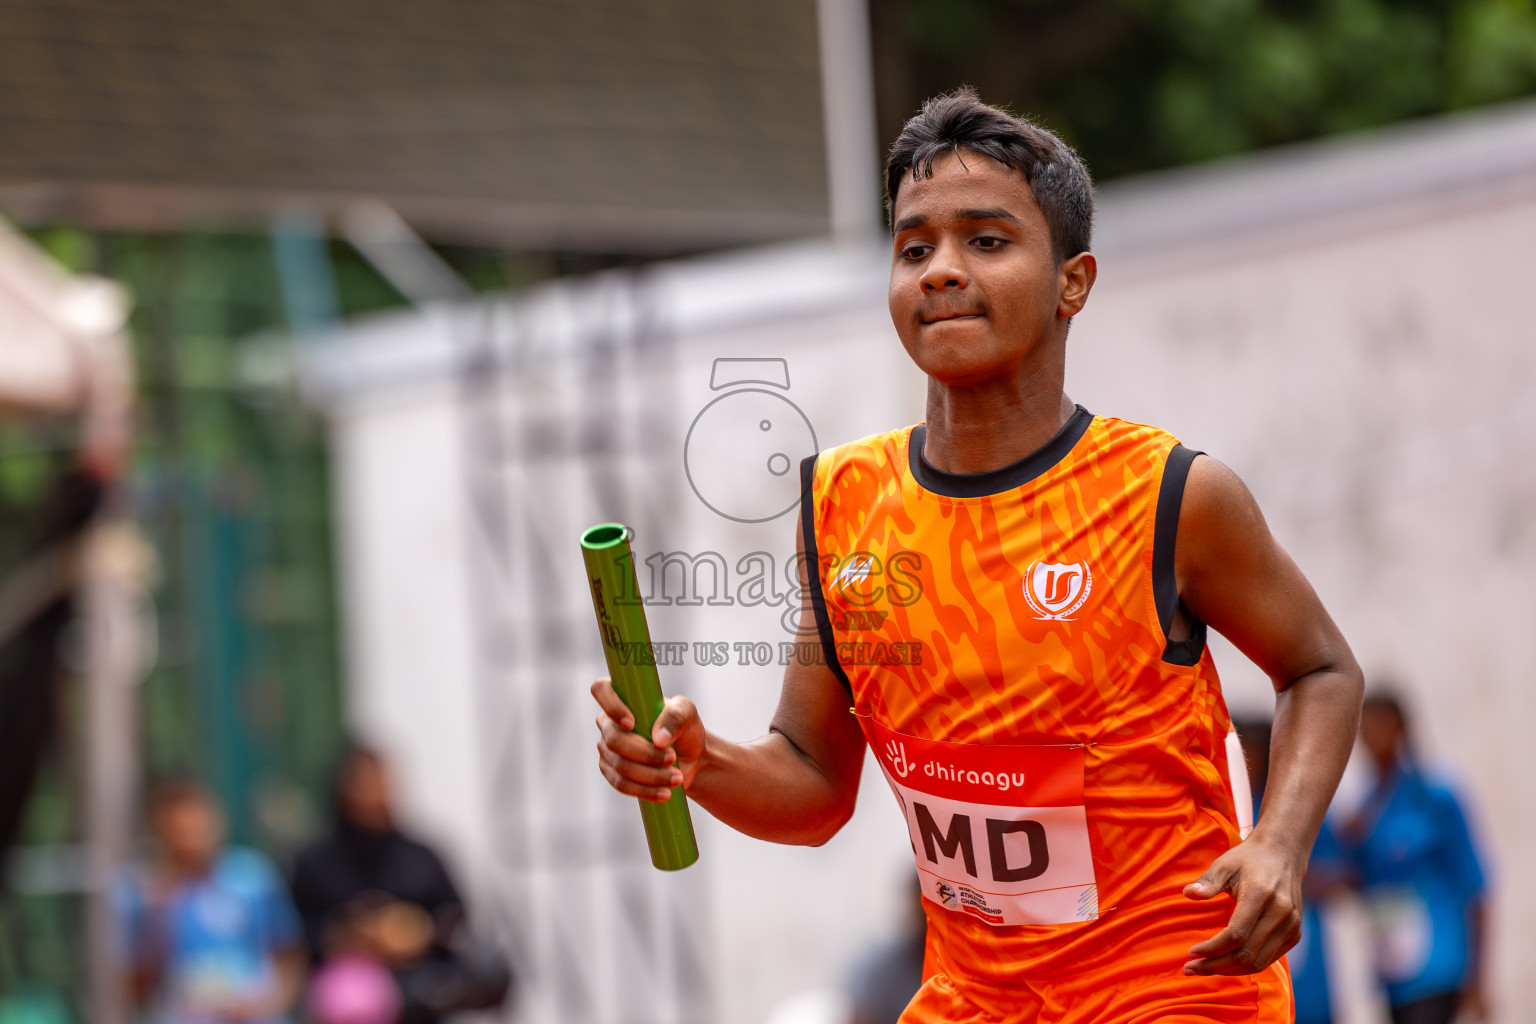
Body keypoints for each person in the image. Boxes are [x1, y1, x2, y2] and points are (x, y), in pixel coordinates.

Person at [592, 88, 1364, 1023]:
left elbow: (1321, 667)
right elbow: (815, 780)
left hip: (1175, 991)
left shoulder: (1170, 495)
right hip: (975, 1001)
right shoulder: (842, 503)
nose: (941, 271)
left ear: (1072, 281)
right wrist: (699, 759)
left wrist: (1280, 843)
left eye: (986, 242)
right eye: (914, 248)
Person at [289, 743, 510, 1024]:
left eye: (382, 781)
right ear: (344, 789)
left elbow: (455, 918)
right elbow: (294, 936)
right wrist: (349, 938)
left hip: (420, 986)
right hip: (347, 994)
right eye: (366, 783)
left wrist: (414, 931)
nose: (378, 791)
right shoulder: (315, 863)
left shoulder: (421, 856)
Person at [1345, 691, 1489, 1024]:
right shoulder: (1363, 811)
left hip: (1438, 964)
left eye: (1381, 723)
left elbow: (1476, 887)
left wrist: (1478, 977)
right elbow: (1357, 881)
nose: (1371, 733)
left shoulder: (1435, 797)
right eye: (1365, 724)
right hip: (1393, 970)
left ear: (1401, 727)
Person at [116, 778, 305, 1024]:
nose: (190, 835)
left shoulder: (253, 877)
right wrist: (157, 919)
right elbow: (133, 985)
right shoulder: (141, 894)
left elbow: (289, 954)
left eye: (196, 822)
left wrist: (265, 1004)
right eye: (178, 828)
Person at [1233, 716, 1347, 1024]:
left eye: (1252, 751)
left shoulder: (1294, 807)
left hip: (1302, 931)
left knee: (1303, 1003)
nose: (1247, 762)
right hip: (1246, 935)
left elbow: (1341, 872)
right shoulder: (1230, 808)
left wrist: (1288, 873)